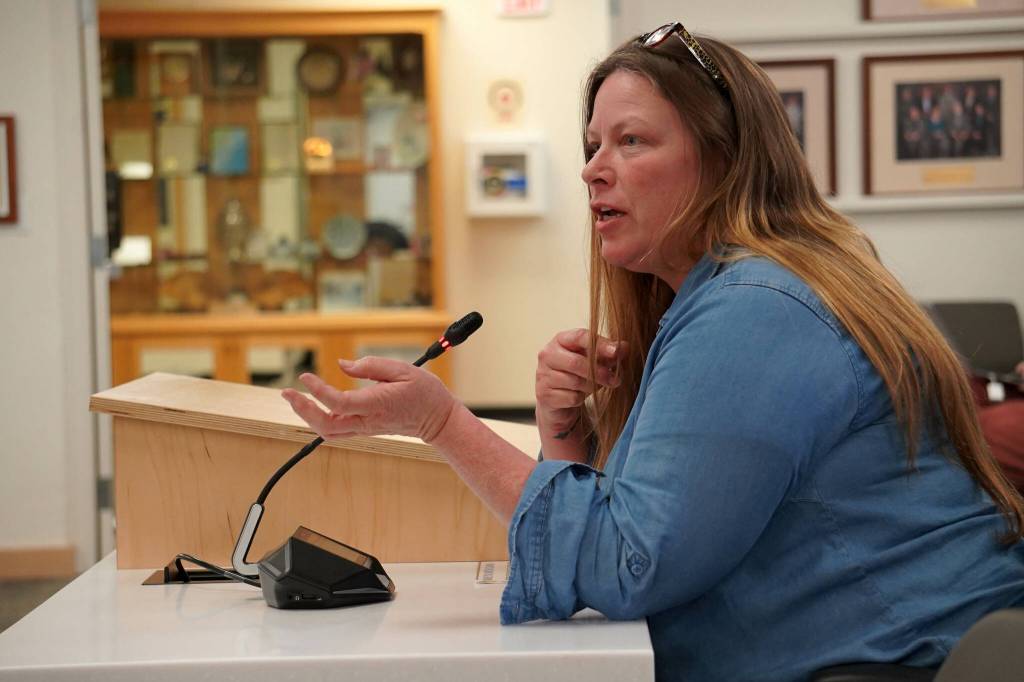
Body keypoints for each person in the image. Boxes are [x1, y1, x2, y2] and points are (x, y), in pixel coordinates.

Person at [282, 22, 1024, 682]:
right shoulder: (738, 292)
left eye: (631, 141)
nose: (592, 168)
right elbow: (634, 530)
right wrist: (566, 433)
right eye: (593, 146)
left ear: (723, 159)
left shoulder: (756, 310)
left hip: (885, 660)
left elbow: (627, 565)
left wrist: (443, 423)